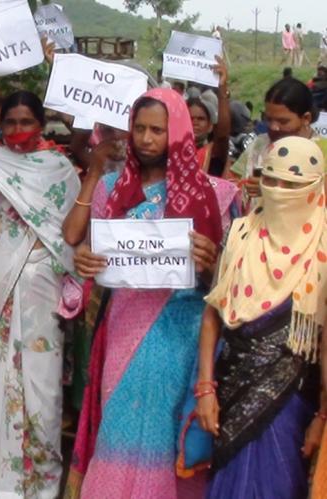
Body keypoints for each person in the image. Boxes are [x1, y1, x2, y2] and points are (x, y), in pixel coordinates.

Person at [70, 88, 236, 499]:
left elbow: (232, 278)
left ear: (177, 132)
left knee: (165, 432)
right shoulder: (112, 189)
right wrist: (86, 262)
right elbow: (90, 249)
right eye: (139, 129)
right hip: (124, 324)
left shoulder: (214, 194)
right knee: (118, 421)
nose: (145, 139)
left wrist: (213, 262)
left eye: (157, 130)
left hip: (180, 333)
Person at [0, 91, 80, 498]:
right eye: (9, 123)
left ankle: (41, 486)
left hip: (42, 298)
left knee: (43, 397)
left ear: (41, 124)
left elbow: (71, 238)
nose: (17, 131)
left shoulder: (60, 170)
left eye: (25, 122)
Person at [197, 136, 326, 497]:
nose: (279, 192)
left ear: (315, 187)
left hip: (292, 399)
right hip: (230, 389)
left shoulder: (324, 244)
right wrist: (205, 388)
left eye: (292, 185)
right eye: (271, 180)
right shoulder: (241, 234)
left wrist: (322, 418)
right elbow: (213, 315)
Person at [225, 78, 325, 209]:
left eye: (283, 121)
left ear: (306, 118)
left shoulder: (321, 152)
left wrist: (271, 191)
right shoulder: (259, 144)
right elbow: (232, 183)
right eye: (268, 119)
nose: (274, 127)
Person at [187, 57, 230, 176]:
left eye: (201, 119)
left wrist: (222, 88)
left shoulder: (213, 153)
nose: (195, 122)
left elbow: (222, 135)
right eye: (190, 118)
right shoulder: (172, 153)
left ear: (210, 126)